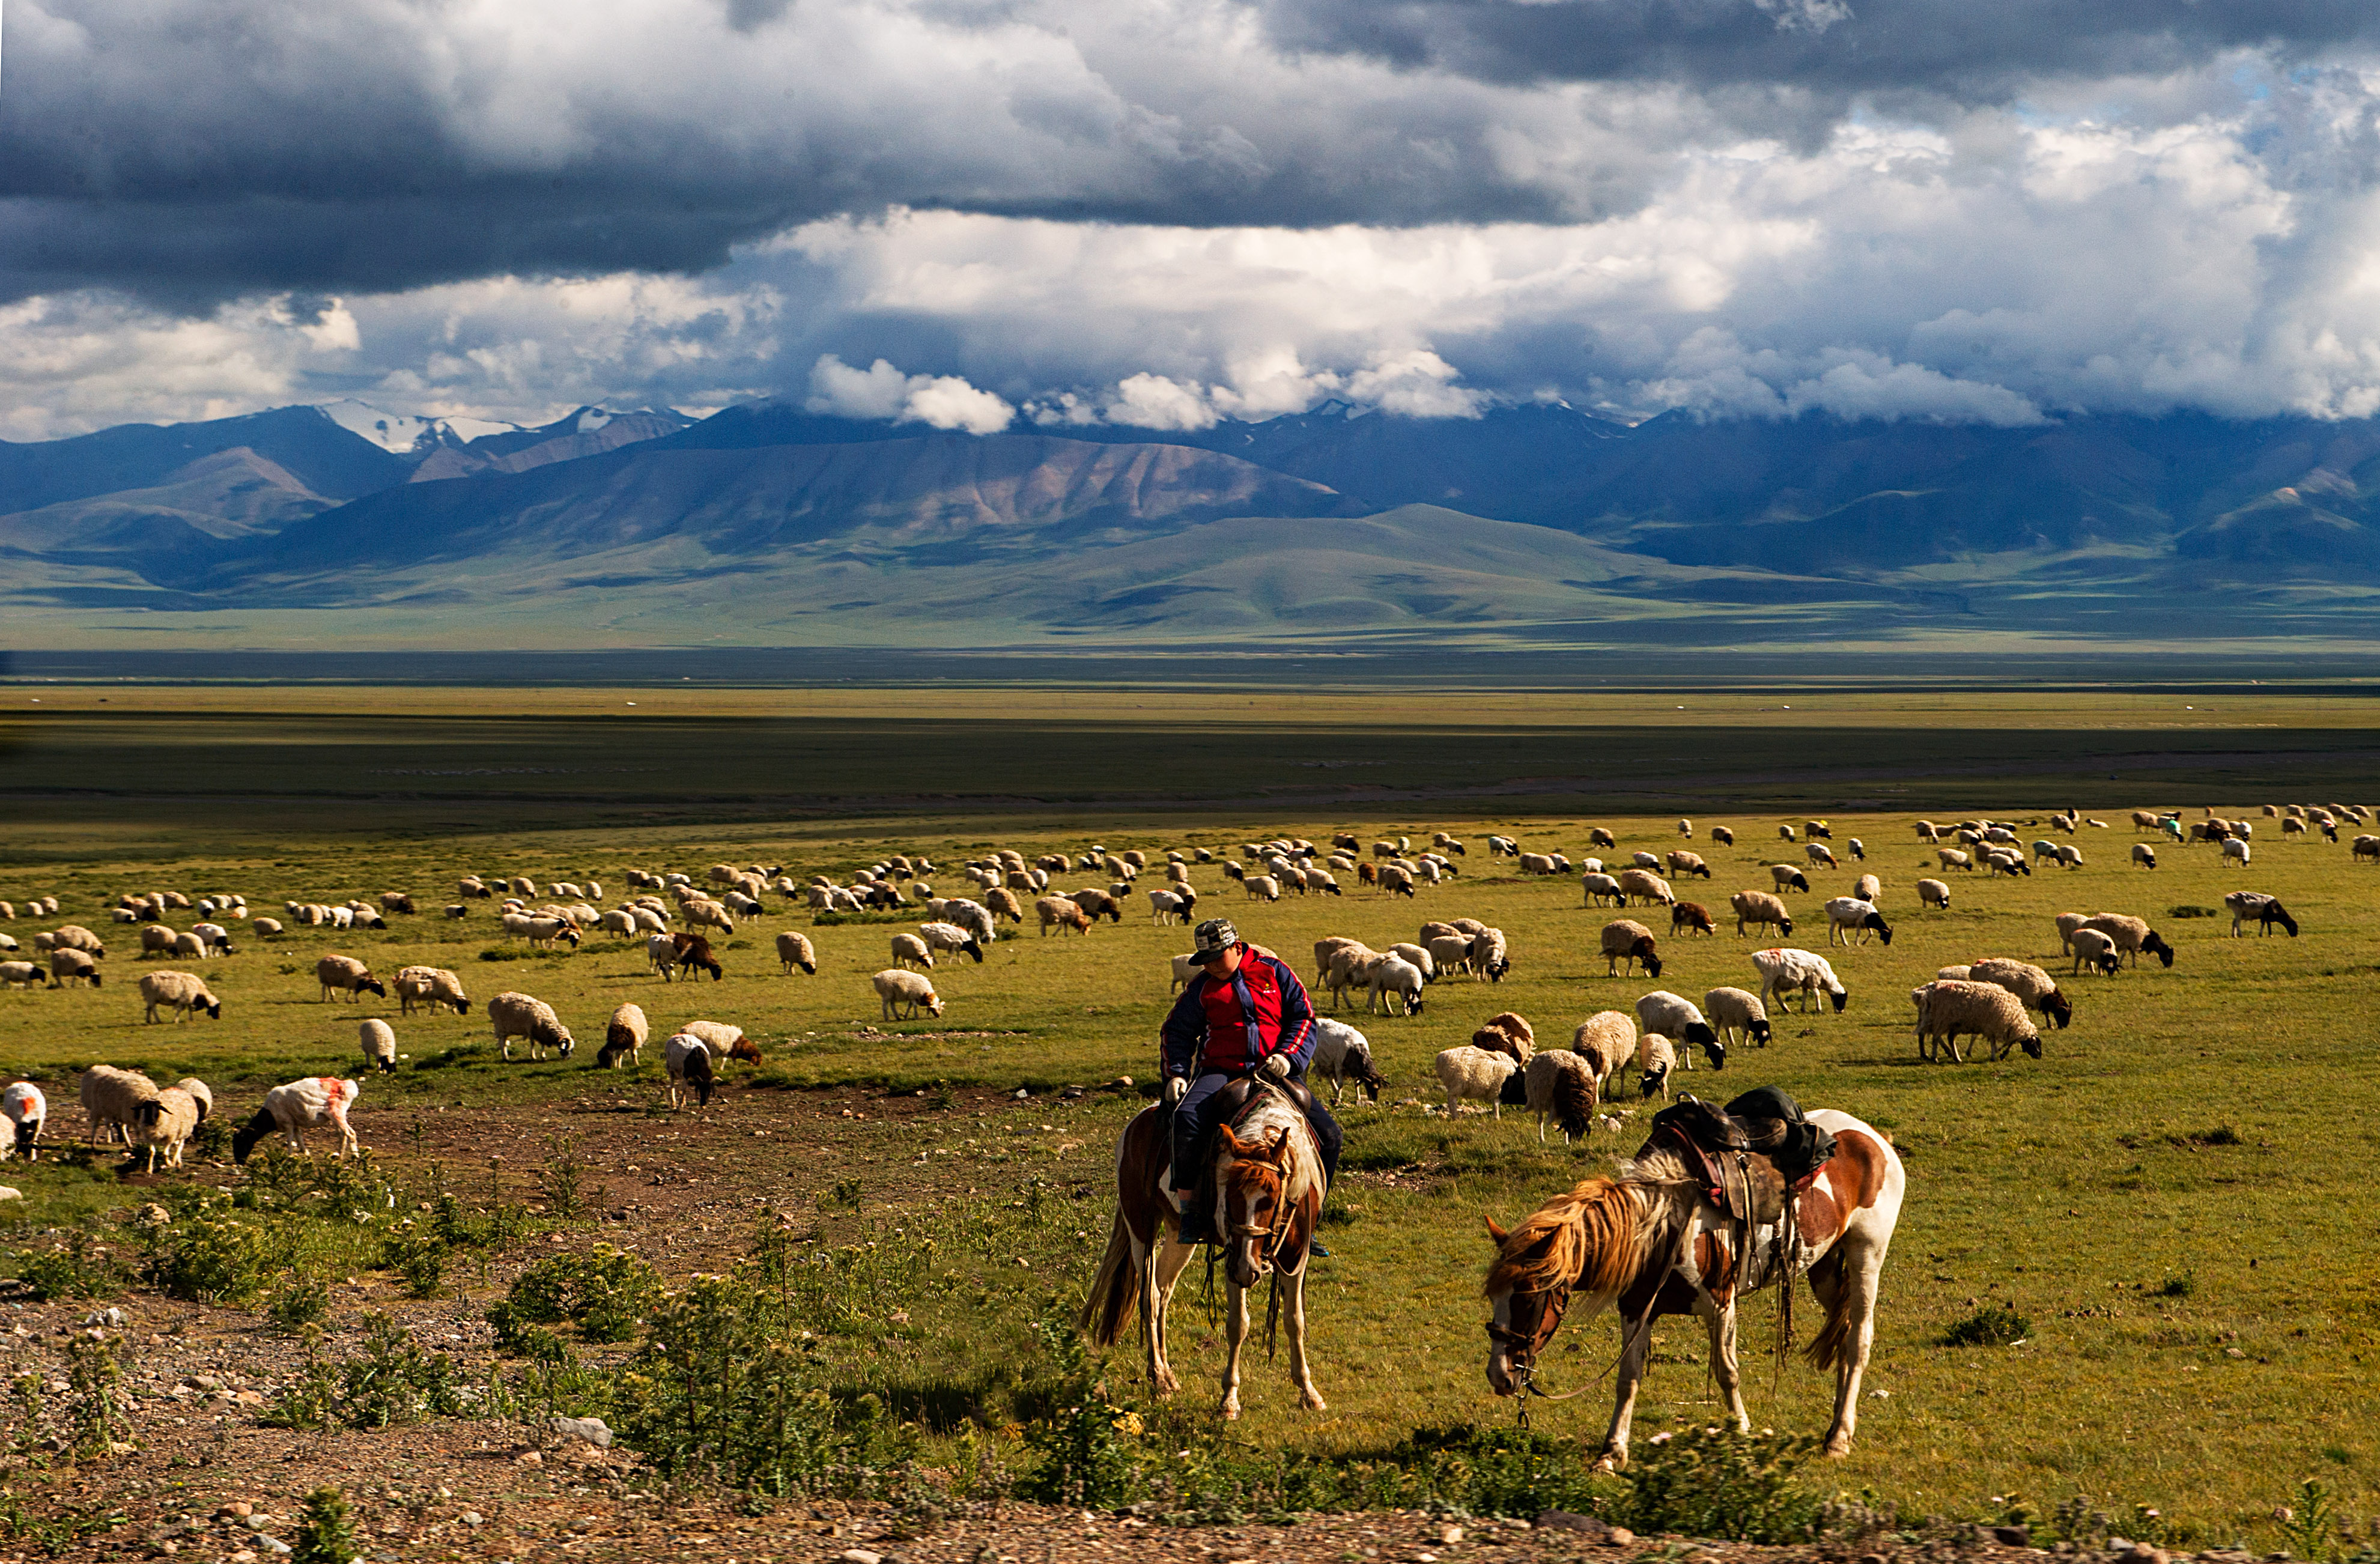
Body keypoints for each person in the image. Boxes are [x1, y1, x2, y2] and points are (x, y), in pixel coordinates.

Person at [1158, 917, 1341, 1249]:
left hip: (1275, 1069)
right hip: (1222, 1070)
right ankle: (1190, 1211)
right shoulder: (1202, 988)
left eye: (1218, 957)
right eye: (1206, 960)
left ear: (1236, 948)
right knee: (1185, 1119)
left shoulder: (1275, 972)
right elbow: (1177, 1032)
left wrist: (1288, 1057)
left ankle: (1310, 1218)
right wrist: (1177, 1074)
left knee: (1329, 1135)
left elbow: (1303, 1016)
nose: (1212, 966)